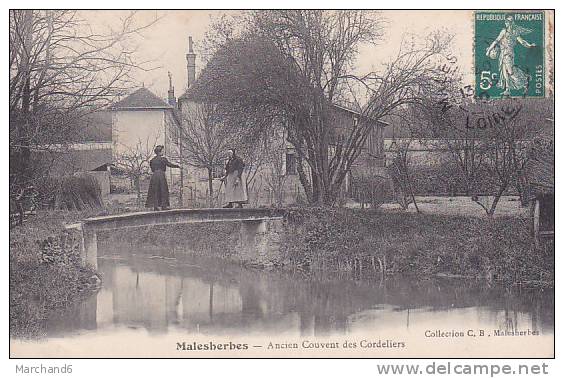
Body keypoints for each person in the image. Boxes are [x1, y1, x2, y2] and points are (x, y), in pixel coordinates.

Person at [486, 15, 536, 96]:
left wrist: (530, 45)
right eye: (506, 21)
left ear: (512, 23)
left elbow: (522, 41)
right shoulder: (503, 31)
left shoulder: (515, 32)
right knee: (504, 72)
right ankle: (507, 89)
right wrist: (489, 50)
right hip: (502, 53)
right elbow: (496, 41)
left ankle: (524, 78)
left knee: (510, 71)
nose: (506, 23)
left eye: (508, 21)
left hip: (509, 54)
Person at [145, 145, 180, 211]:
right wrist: (178, 166)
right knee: (163, 190)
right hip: (161, 175)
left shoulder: (152, 160)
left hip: (154, 176)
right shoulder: (163, 159)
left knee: (155, 190)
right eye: (162, 150)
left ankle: (155, 206)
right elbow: (169, 164)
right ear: (159, 152)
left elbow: (152, 169)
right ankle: (164, 206)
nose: (163, 152)